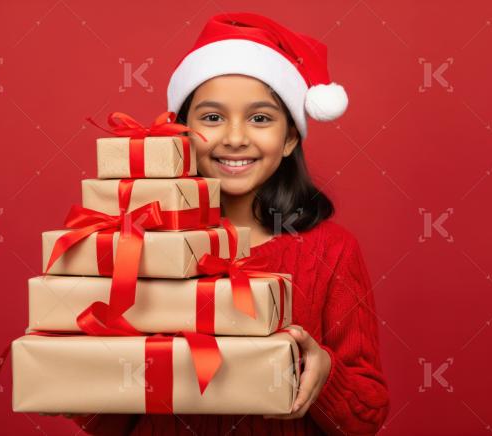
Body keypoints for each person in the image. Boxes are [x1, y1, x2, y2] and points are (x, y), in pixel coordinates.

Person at [70, 12, 389, 435]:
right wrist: (80, 370)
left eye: (260, 118)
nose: (235, 137)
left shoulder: (331, 252)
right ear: (180, 131)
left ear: (291, 137)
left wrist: (326, 372)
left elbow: (366, 417)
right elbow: (100, 422)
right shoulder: (138, 243)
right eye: (212, 118)